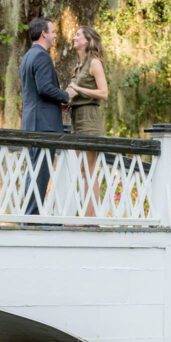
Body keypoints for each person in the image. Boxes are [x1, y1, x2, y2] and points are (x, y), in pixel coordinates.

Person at [20, 17, 70, 215]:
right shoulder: (41, 56)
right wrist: (65, 96)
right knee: (40, 171)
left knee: (34, 169)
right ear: (44, 34)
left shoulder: (27, 57)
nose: (55, 35)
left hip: (32, 120)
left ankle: (30, 213)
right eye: (53, 31)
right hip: (43, 123)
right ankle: (32, 216)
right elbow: (45, 88)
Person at [65, 26, 109, 218]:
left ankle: (91, 218)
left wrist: (78, 90)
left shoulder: (94, 63)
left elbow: (104, 93)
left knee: (89, 170)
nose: (74, 38)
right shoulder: (79, 65)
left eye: (78, 35)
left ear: (88, 40)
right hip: (77, 118)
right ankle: (83, 214)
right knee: (80, 169)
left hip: (90, 119)